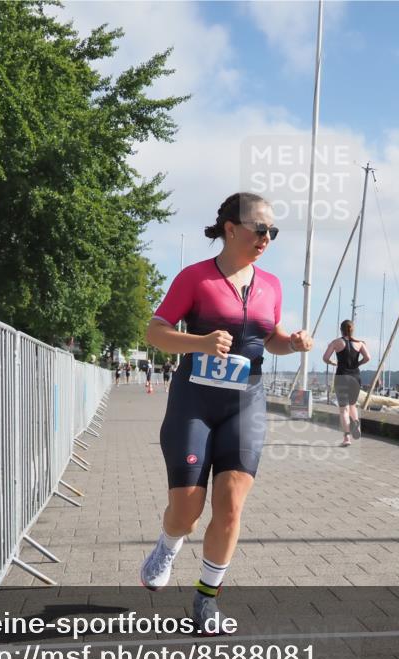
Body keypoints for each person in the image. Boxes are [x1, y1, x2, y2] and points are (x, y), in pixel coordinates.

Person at [140, 192, 312, 633]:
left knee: (231, 505)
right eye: (260, 229)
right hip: (194, 401)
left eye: (273, 231)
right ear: (231, 229)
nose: (267, 238)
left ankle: (206, 599)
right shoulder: (194, 278)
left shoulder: (271, 284)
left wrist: (289, 343)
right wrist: (198, 342)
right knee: (187, 509)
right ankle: (168, 542)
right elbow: (154, 333)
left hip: (246, 401)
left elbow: (268, 337)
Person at [322, 320, 370, 446]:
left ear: (341, 329)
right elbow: (368, 357)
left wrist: (332, 362)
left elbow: (325, 358)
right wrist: (358, 363)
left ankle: (347, 438)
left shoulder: (336, 342)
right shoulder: (360, 343)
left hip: (342, 376)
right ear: (352, 329)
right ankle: (356, 424)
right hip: (355, 377)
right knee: (353, 405)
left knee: (344, 410)